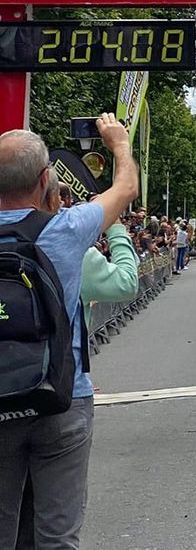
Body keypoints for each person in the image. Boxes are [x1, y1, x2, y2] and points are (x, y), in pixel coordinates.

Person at [0, 114, 138, 549]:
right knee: (57, 535)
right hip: (61, 394)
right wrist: (118, 146)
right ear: (45, 180)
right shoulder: (64, 229)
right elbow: (125, 190)